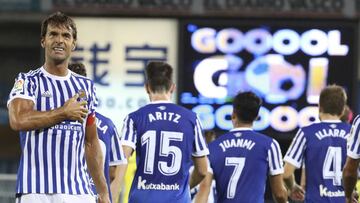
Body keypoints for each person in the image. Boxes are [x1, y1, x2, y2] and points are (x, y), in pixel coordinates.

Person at [7, 12, 109, 203]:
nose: (59, 40)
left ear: (74, 44)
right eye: (53, 34)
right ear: (43, 41)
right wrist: (64, 112)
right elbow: (18, 120)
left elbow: (91, 142)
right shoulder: (27, 81)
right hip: (35, 190)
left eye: (66, 36)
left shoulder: (86, 87)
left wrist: (103, 191)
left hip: (77, 191)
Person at [120, 61, 209, 203]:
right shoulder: (192, 119)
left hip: (142, 198)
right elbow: (203, 170)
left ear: (147, 87)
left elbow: (121, 160)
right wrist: (185, 188)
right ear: (172, 88)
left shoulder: (134, 118)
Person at [197, 91, 288, 203]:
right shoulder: (269, 145)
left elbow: (204, 190)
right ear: (256, 117)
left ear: (233, 114)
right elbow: (279, 194)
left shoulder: (212, 147)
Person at [68, 62, 128, 203]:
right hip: (96, 195)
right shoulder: (108, 125)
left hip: (66, 192)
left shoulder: (58, 120)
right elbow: (113, 172)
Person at [284, 85, 350, 202]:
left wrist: (293, 187)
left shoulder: (306, 132)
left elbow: (286, 174)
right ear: (342, 110)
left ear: (320, 107)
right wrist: (351, 192)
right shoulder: (354, 134)